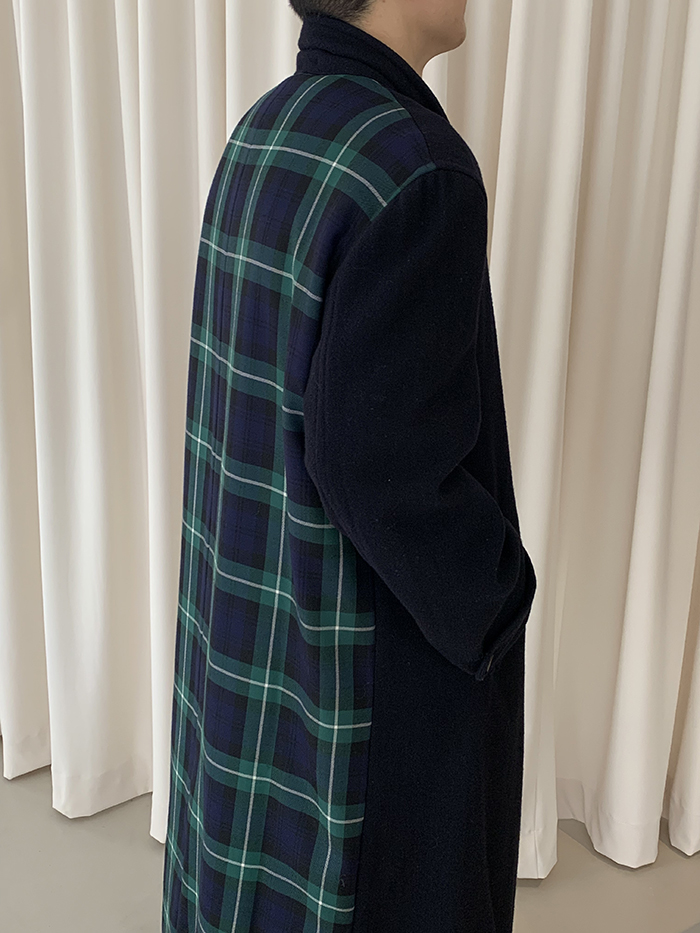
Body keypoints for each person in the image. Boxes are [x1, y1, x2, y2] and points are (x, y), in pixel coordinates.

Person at [161, 2, 537, 932]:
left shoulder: (267, 127)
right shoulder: (419, 168)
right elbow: (375, 459)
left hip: (254, 626)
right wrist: (494, 596)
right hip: (367, 659)